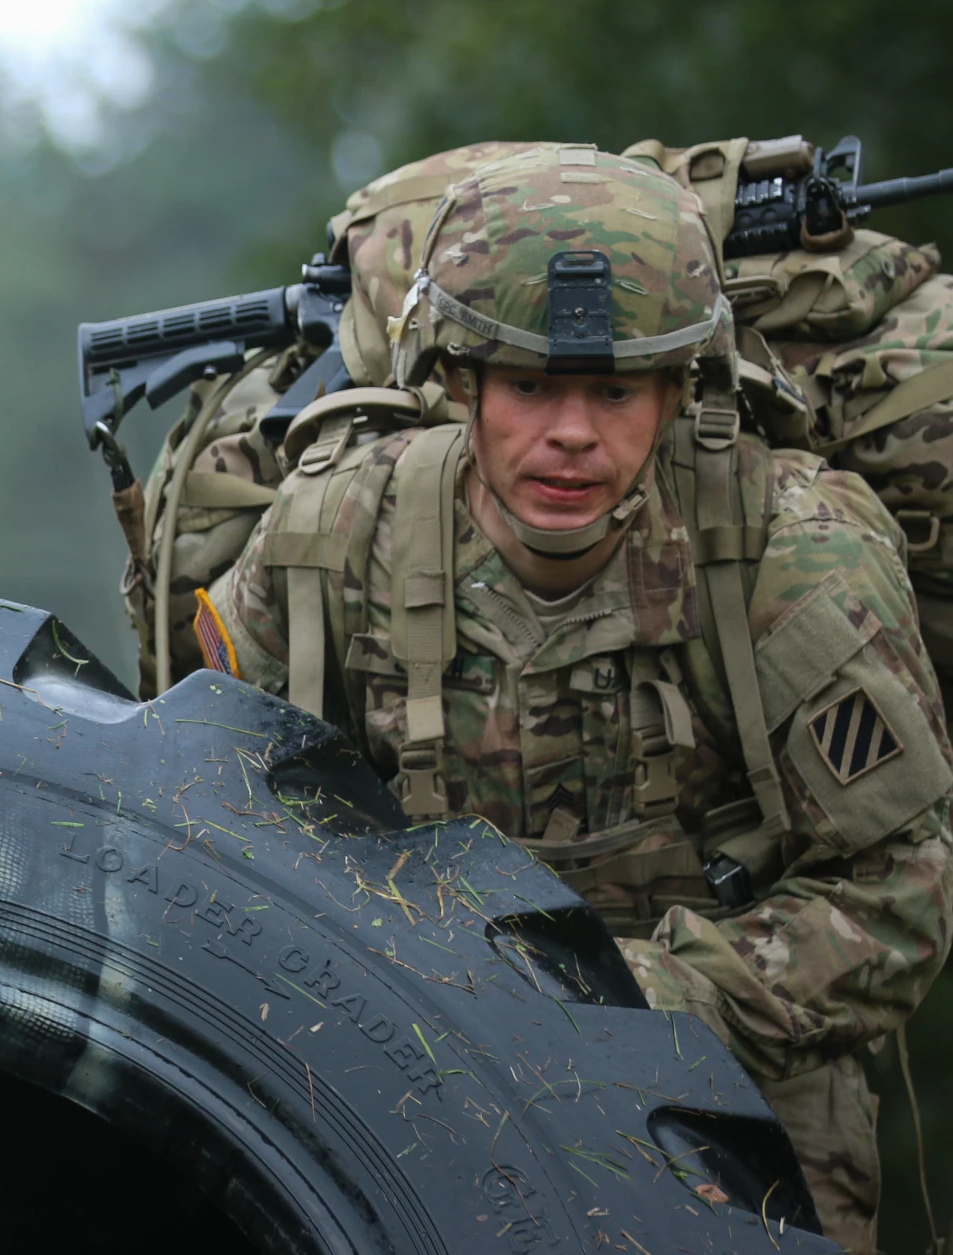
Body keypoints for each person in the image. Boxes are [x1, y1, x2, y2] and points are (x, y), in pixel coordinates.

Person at [203, 146, 950, 1254]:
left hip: (733, 1110)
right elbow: (213, 850)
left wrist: (616, 1004)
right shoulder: (327, 540)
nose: (570, 434)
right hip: (413, 1089)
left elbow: (903, 890)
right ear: (456, 381)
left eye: (613, 388)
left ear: (678, 388)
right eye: (528, 384)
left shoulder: (791, 554)